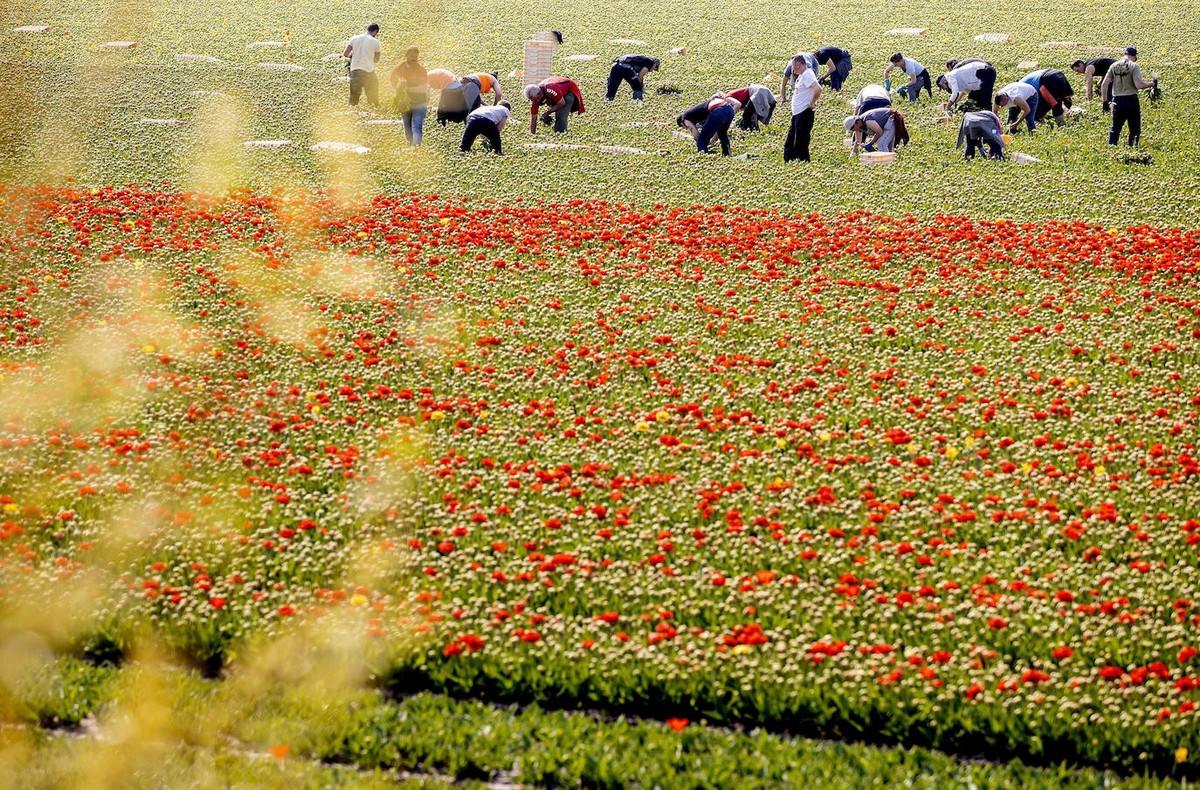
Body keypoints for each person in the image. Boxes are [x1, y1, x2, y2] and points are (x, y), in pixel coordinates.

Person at [1100, 47, 1156, 146]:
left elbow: (1104, 84)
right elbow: (1138, 85)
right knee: (1134, 128)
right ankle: (1133, 148)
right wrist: (1151, 84)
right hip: (1131, 99)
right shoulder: (1134, 66)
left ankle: (1111, 147)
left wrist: (1105, 101)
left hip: (1117, 99)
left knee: (1115, 127)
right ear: (1134, 56)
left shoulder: (1114, 65)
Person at [784, 53, 821, 162]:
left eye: (794, 68)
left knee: (800, 141)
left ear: (799, 65)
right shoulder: (802, 75)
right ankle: (790, 161)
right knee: (791, 140)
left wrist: (811, 103)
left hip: (804, 113)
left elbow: (818, 89)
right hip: (798, 113)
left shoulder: (808, 74)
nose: (793, 71)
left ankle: (801, 162)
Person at [390, 47, 429, 145]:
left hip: (419, 102)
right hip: (405, 103)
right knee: (407, 129)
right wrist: (398, 91)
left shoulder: (421, 70)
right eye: (412, 56)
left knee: (416, 127)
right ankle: (412, 149)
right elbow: (392, 82)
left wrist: (406, 89)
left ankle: (416, 149)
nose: (414, 58)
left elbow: (423, 88)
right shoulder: (399, 68)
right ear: (406, 55)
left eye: (416, 56)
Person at [343, 23, 382, 108]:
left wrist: (354, 55)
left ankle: (352, 111)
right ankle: (374, 109)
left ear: (367, 29)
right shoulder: (376, 42)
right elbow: (376, 60)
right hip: (368, 70)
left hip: (355, 70)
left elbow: (345, 54)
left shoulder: (354, 38)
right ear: (375, 32)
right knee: (372, 93)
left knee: (354, 96)